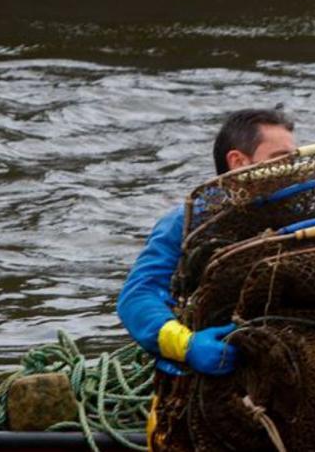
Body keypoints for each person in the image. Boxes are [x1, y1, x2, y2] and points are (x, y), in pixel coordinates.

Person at [117, 108, 296, 376]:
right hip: (220, 358)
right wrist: (187, 345)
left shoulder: (305, 214)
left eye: (294, 161)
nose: (294, 170)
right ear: (238, 161)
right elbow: (137, 298)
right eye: (280, 160)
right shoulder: (187, 222)